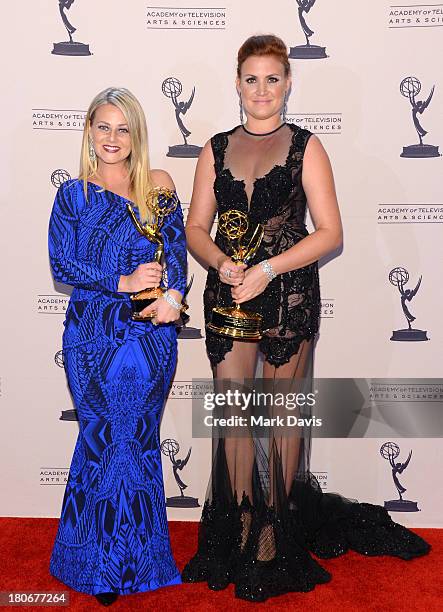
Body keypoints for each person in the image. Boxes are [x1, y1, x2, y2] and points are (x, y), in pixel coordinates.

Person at [181, 35, 430, 602]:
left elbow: (330, 232)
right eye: (251, 78)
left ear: (288, 83)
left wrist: (268, 268)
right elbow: (196, 227)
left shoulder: (306, 147)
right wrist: (219, 262)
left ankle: (274, 535)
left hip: (288, 295)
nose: (262, 90)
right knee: (236, 417)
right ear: (237, 83)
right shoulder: (213, 149)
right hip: (228, 299)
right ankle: (238, 527)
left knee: (282, 417)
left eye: (273, 78)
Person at [48, 87, 187, 606]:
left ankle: (143, 564)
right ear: (89, 131)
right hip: (92, 335)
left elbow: (176, 253)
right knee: (103, 440)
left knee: (139, 442)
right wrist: (122, 279)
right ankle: (93, 564)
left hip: (150, 336)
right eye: (102, 127)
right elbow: (63, 265)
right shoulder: (73, 195)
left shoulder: (159, 185)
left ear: (137, 135)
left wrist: (174, 294)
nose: (112, 138)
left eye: (122, 128)